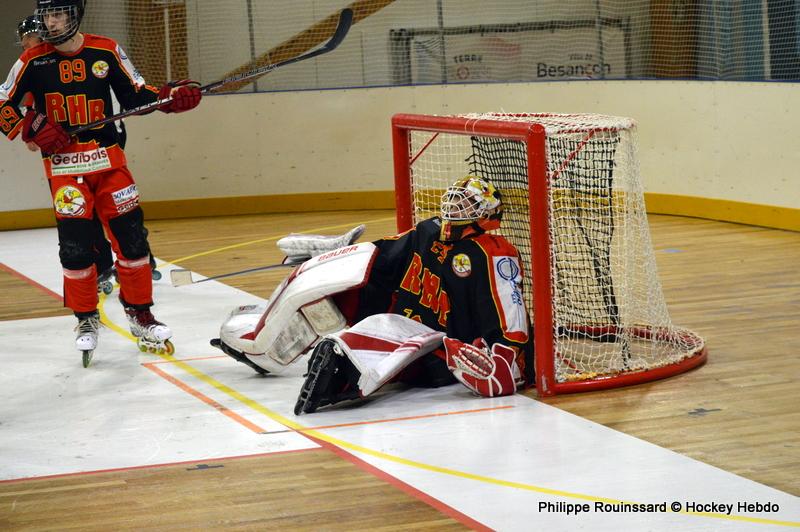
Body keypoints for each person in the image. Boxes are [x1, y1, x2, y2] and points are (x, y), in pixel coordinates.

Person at [212, 176, 535, 414]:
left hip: (439, 341)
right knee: (336, 291)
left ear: (487, 214)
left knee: (377, 336)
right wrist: (335, 252)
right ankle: (263, 349)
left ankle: (341, 373)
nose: (455, 207)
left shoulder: (492, 253)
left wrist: (508, 355)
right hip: (403, 317)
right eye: (454, 199)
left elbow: (509, 308)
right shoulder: (426, 231)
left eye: (466, 204)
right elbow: (380, 255)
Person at [0, 0, 202, 359]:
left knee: (133, 241)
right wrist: (28, 125)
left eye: (59, 13)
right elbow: (2, 103)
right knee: (76, 248)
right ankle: (85, 318)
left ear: (75, 14)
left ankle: (141, 314)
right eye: (47, 14)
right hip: (64, 171)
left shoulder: (106, 50)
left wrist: (169, 98)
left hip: (109, 164)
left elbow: (136, 94)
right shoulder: (31, 62)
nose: (52, 21)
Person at [15, 14, 116, 297]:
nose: (26, 47)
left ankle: (122, 256)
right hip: (62, 152)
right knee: (76, 209)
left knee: (105, 203)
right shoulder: (36, 64)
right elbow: (32, 108)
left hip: (98, 142)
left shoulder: (74, 56)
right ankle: (102, 263)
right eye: (23, 42)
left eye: (30, 40)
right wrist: (30, 130)